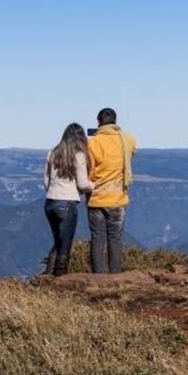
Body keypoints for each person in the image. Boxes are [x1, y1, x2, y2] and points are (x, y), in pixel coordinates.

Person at [87, 107, 137, 274]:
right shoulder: (128, 140)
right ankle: (115, 276)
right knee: (115, 240)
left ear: (98, 122)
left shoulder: (92, 142)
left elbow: (89, 169)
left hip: (96, 198)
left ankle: (98, 277)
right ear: (115, 122)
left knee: (97, 239)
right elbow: (131, 156)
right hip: (118, 198)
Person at [42, 123, 93, 276]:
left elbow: (46, 182)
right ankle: (60, 278)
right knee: (65, 245)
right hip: (67, 203)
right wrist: (95, 185)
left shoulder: (52, 153)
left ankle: (47, 277)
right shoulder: (79, 156)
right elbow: (83, 184)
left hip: (50, 202)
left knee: (58, 242)